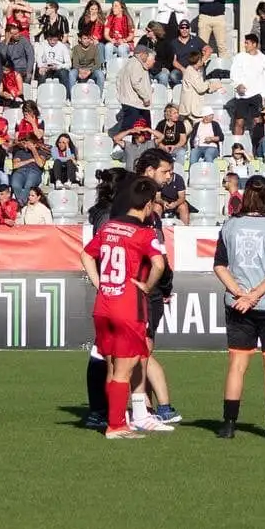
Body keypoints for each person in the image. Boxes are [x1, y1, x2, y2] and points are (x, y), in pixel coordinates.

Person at [81, 175, 167, 440]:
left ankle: (115, 419)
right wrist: (147, 286)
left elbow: (86, 254)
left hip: (103, 304)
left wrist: (99, 282)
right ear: (148, 204)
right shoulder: (144, 233)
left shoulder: (108, 228)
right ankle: (116, 426)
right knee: (124, 369)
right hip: (127, 306)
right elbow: (159, 265)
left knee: (111, 366)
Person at [213, 176, 265, 440]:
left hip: (238, 304)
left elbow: (219, 266)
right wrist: (256, 295)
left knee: (237, 365)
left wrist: (241, 294)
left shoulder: (230, 225)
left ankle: (228, 425)